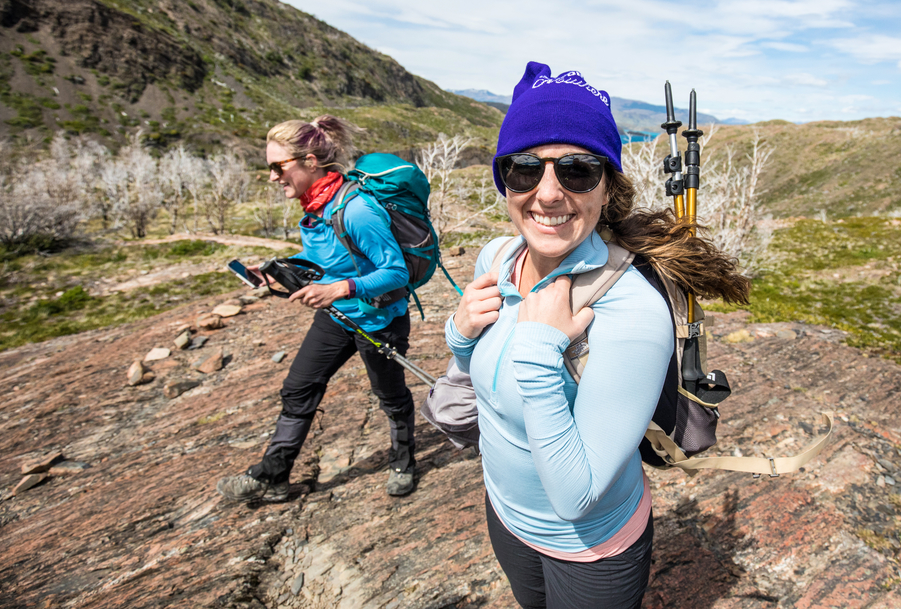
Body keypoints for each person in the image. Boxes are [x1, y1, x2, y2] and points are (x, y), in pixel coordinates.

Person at [446, 62, 750, 609]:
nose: (548, 193)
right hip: (507, 515)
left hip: (589, 551)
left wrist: (541, 354)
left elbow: (578, 496)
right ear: (504, 181)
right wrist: (460, 334)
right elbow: (481, 382)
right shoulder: (498, 256)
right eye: (523, 169)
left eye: (577, 171)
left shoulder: (630, 310)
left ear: (607, 188)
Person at [216, 114, 418, 501]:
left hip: (378, 319)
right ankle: (272, 476)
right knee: (299, 388)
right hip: (337, 316)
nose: (273, 176)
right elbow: (325, 256)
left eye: (278, 167)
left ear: (310, 162)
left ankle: (403, 462)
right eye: (269, 167)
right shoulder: (317, 206)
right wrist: (281, 270)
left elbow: (395, 273)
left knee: (389, 394)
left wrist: (338, 289)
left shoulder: (357, 210)